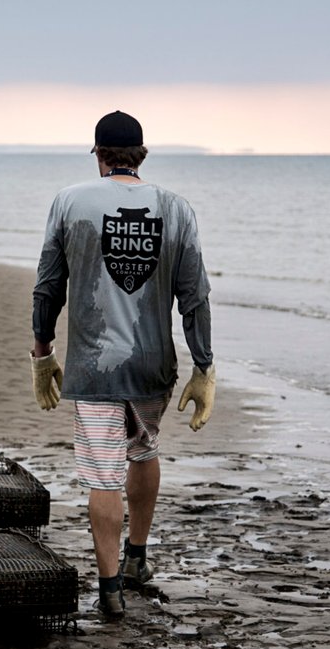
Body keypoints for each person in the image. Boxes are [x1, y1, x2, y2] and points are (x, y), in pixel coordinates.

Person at [30, 110, 216, 619]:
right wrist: (204, 366)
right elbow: (194, 295)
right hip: (153, 364)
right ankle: (137, 558)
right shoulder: (176, 209)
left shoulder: (69, 202)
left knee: (102, 476)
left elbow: (49, 287)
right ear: (142, 156)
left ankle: (110, 588)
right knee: (144, 448)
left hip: (94, 368)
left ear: (98, 155)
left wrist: (42, 353)